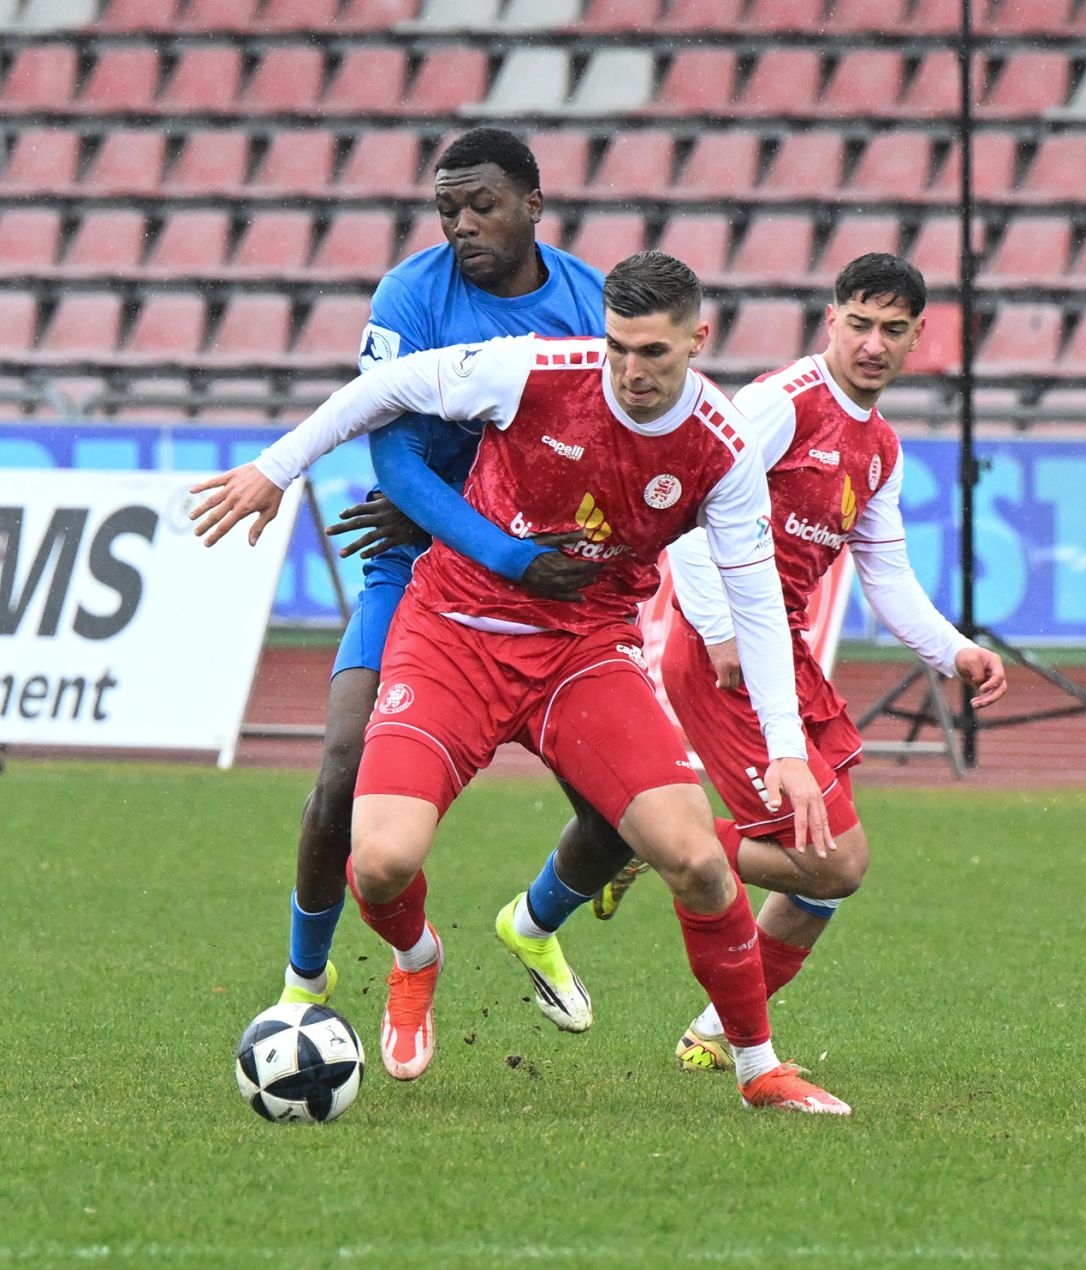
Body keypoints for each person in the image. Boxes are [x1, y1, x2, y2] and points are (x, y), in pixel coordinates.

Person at [190, 252, 852, 1115]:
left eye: (653, 352)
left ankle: (758, 1066)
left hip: (585, 650)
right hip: (454, 633)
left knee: (692, 856)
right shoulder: (536, 367)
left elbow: (757, 600)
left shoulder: (721, 446)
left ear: (699, 338)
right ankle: (419, 958)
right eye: (618, 346)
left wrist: (788, 751)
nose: (630, 370)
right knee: (382, 861)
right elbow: (380, 391)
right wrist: (274, 469)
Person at [260, 126, 634, 1080]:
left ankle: (535, 922)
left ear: (535, 206)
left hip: (545, 584)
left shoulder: (594, 306)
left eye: (483, 205)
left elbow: (622, 449)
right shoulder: (411, 296)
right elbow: (392, 454)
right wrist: (488, 540)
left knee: (617, 816)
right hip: (426, 562)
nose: (462, 224)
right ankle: (315, 986)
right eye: (448, 209)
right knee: (342, 766)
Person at [574, 253, 1008, 1073]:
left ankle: (711, 1029)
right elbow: (695, 507)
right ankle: (658, 840)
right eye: (858, 323)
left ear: (919, 338)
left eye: (892, 329)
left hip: (785, 658)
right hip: (727, 658)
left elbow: (887, 572)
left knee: (822, 877)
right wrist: (714, 627)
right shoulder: (780, 404)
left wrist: (953, 649)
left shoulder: (879, 446)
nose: (872, 343)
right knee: (836, 857)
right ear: (830, 319)